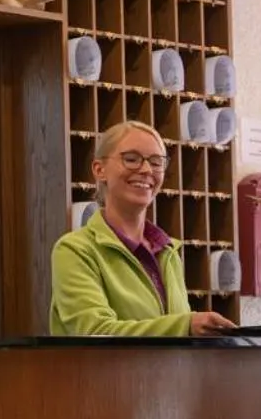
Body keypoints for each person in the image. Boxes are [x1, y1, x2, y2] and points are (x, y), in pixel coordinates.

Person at [50, 120, 238, 337]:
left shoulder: (168, 252)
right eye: (131, 159)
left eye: (157, 162)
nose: (147, 170)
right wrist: (186, 326)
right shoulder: (74, 250)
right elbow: (95, 332)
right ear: (99, 169)